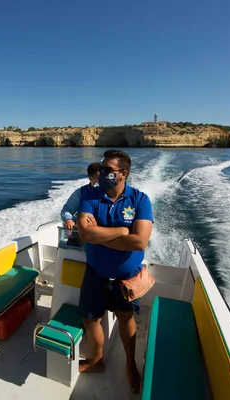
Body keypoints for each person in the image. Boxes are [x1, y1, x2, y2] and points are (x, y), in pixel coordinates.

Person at [76, 149, 153, 393]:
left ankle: (130, 365)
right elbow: (85, 233)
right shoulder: (90, 196)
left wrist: (99, 236)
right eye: (101, 168)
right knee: (90, 318)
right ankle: (96, 359)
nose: (102, 173)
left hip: (126, 278)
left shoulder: (140, 200)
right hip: (96, 272)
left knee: (126, 317)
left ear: (123, 173)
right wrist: (121, 232)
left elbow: (140, 242)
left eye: (108, 169)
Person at [60, 162, 101, 230]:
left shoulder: (111, 192)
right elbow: (67, 209)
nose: (104, 181)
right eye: (100, 179)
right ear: (91, 179)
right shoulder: (80, 193)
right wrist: (68, 219)